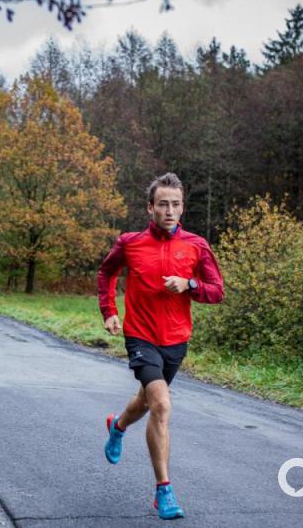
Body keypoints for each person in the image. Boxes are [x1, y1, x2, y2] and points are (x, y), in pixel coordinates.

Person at [96, 172, 224, 520]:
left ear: (182, 208)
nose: (170, 211)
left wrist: (189, 284)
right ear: (150, 207)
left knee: (146, 399)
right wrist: (109, 310)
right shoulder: (130, 242)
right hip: (140, 334)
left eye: (176, 205)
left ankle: (117, 426)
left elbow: (217, 291)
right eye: (163, 204)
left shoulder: (196, 245)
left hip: (176, 339)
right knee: (162, 406)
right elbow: (107, 273)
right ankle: (163, 491)